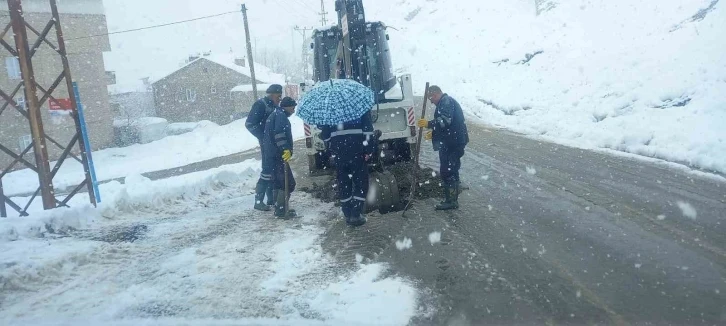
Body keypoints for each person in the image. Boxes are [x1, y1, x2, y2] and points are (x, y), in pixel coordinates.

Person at [417, 85, 469, 210]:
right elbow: (446, 126)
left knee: (448, 171)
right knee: (451, 170)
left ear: (435, 95)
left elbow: (445, 121)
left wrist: (429, 124)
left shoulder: (446, 101)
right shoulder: (445, 102)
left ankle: (451, 201)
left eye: (431, 98)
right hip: (452, 142)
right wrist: (435, 134)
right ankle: (452, 197)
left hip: (453, 143)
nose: (431, 101)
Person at [320, 111, 375, 227]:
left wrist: (332, 149)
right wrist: (369, 150)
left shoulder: (330, 112)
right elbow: (368, 131)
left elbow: (325, 136)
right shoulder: (359, 109)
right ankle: (356, 214)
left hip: (340, 155)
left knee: (344, 184)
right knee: (361, 184)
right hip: (357, 153)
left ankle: (348, 214)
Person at [246, 84, 283, 211]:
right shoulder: (261, 105)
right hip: (267, 144)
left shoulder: (274, 106)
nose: (280, 98)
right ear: (272, 94)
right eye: (279, 96)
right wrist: (264, 137)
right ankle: (258, 201)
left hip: (274, 144)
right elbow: (250, 124)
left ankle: (271, 199)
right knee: (267, 170)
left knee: (273, 170)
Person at [262, 97, 299, 219]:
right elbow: (279, 134)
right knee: (287, 183)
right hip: (277, 155)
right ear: (286, 106)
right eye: (292, 108)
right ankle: (281, 210)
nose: (293, 111)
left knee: (278, 183)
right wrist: (285, 149)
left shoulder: (276, 114)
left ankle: (279, 208)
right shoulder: (280, 116)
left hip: (272, 155)